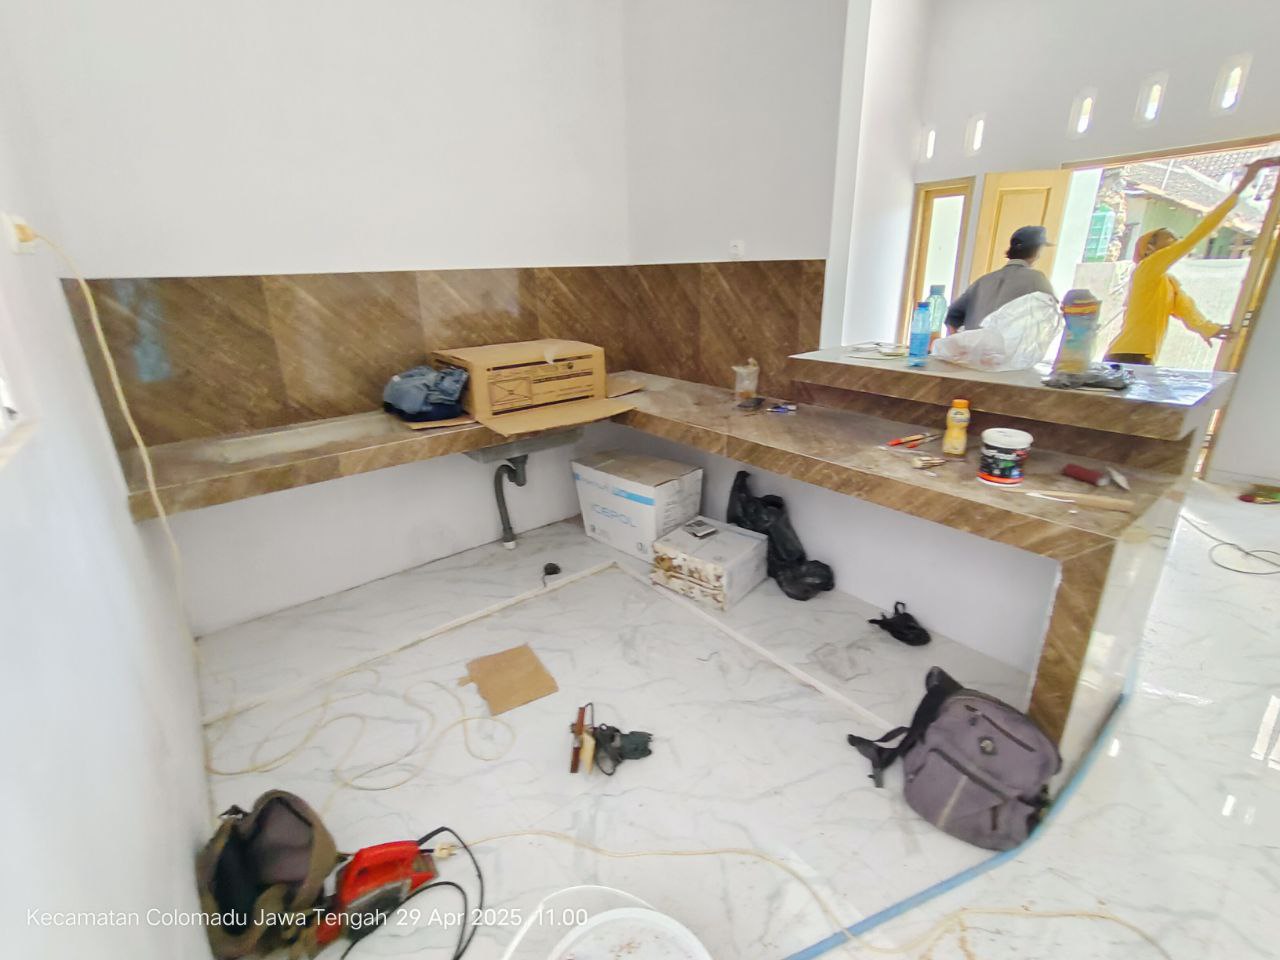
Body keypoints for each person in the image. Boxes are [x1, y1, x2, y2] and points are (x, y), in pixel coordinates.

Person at [1104, 156, 1280, 365]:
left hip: (1141, 357)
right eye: (1170, 237)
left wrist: (1210, 329)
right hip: (1127, 355)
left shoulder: (1167, 283)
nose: (1177, 241)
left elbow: (1186, 310)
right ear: (1150, 248)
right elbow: (1199, 233)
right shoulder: (1146, 268)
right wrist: (1243, 185)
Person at [945, 225, 1056, 332]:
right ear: (1037, 252)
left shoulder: (983, 281)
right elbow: (1052, 315)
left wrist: (959, 341)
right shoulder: (1037, 280)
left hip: (973, 344)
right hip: (1009, 345)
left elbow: (952, 317)